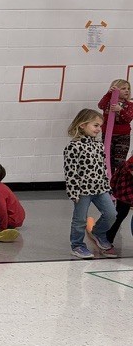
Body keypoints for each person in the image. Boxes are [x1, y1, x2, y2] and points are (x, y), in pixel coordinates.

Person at [64, 108, 117, 259]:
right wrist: (73, 192)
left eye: (100, 126)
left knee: (111, 214)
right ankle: (77, 245)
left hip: (100, 188)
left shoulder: (99, 145)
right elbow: (70, 172)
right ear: (82, 125)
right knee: (80, 220)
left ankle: (98, 233)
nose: (99, 129)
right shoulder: (73, 147)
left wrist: (108, 186)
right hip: (82, 191)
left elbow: (103, 167)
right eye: (95, 125)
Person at [97, 79, 133, 175]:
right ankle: (109, 179)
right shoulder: (108, 102)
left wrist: (120, 110)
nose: (127, 90)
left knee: (119, 162)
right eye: (123, 88)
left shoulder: (129, 105)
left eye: (128, 89)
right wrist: (109, 94)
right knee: (107, 160)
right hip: (107, 135)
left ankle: (118, 180)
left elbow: (128, 118)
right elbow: (100, 105)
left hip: (123, 137)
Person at [107, 152, 133, 244]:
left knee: (120, 215)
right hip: (125, 193)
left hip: (124, 192)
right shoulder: (128, 165)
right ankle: (107, 236)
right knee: (120, 215)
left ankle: (108, 236)